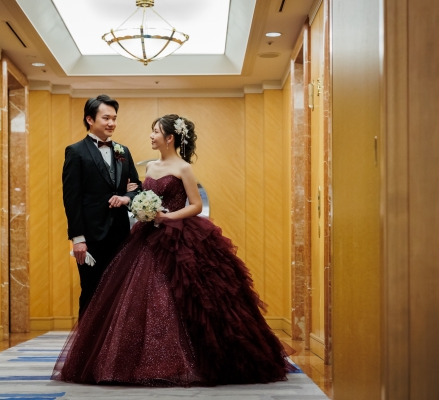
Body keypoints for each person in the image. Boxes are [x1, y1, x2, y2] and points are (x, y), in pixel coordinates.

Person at [53, 114, 296, 386]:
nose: (151, 135)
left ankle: (190, 360)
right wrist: (138, 205)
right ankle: (140, 361)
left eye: (155, 131)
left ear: (169, 138)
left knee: (187, 295)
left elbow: (195, 205)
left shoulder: (183, 168)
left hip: (179, 236)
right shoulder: (151, 167)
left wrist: (167, 217)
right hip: (147, 236)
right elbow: (143, 195)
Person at [62, 95, 141, 318]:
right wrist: (78, 239)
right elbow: (72, 198)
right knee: (91, 292)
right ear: (90, 119)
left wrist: (126, 197)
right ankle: (87, 341)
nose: (111, 123)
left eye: (114, 118)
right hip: (91, 238)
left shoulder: (123, 151)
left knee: (119, 295)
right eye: (106, 118)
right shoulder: (76, 151)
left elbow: (137, 188)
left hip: (121, 235)